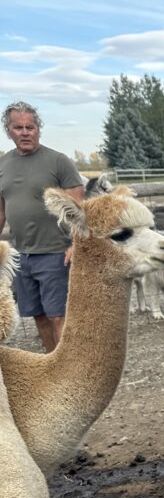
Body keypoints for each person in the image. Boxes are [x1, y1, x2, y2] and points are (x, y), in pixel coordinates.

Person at [0, 102, 84, 352]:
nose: (25, 132)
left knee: (59, 316)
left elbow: (79, 208)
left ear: (38, 129)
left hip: (56, 252)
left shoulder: (59, 162)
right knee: (38, 315)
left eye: (31, 127)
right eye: (18, 128)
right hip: (22, 254)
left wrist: (76, 243)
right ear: (8, 131)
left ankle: (68, 368)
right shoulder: (3, 165)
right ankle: (51, 363)